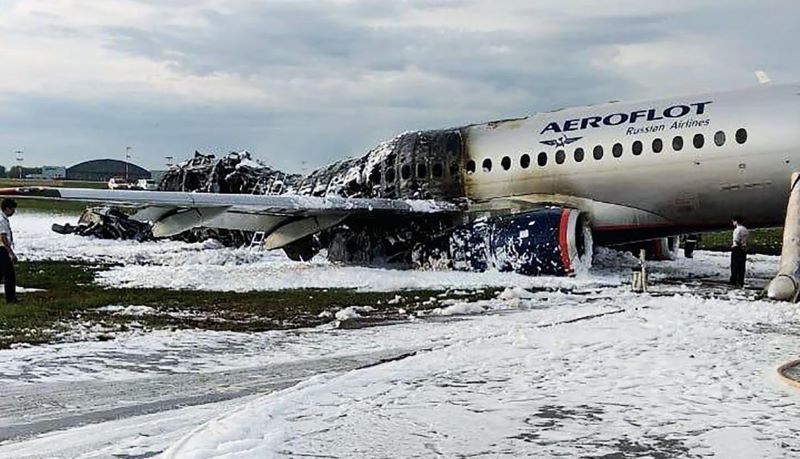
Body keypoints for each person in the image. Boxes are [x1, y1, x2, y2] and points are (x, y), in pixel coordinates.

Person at [0, 198, 18, 303]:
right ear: (7, 208)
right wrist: (11, 253)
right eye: (13, 209)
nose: (13, 212)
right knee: (9, 275)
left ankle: (11, 298)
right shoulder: (2, 220)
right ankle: (10, 299)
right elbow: (3, 237)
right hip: (2, 249)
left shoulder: (2, 218)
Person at [730, 216, 749, 287]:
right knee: (742, 266)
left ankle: (734, 280)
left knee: (735, 265)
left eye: (733, 221)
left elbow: (736, 240)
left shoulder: (737, 230)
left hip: (737, 248)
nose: (733, 223)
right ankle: (741, 280)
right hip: (744, 249)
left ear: (736, 221)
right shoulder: (745, 229)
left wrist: (736, 246)